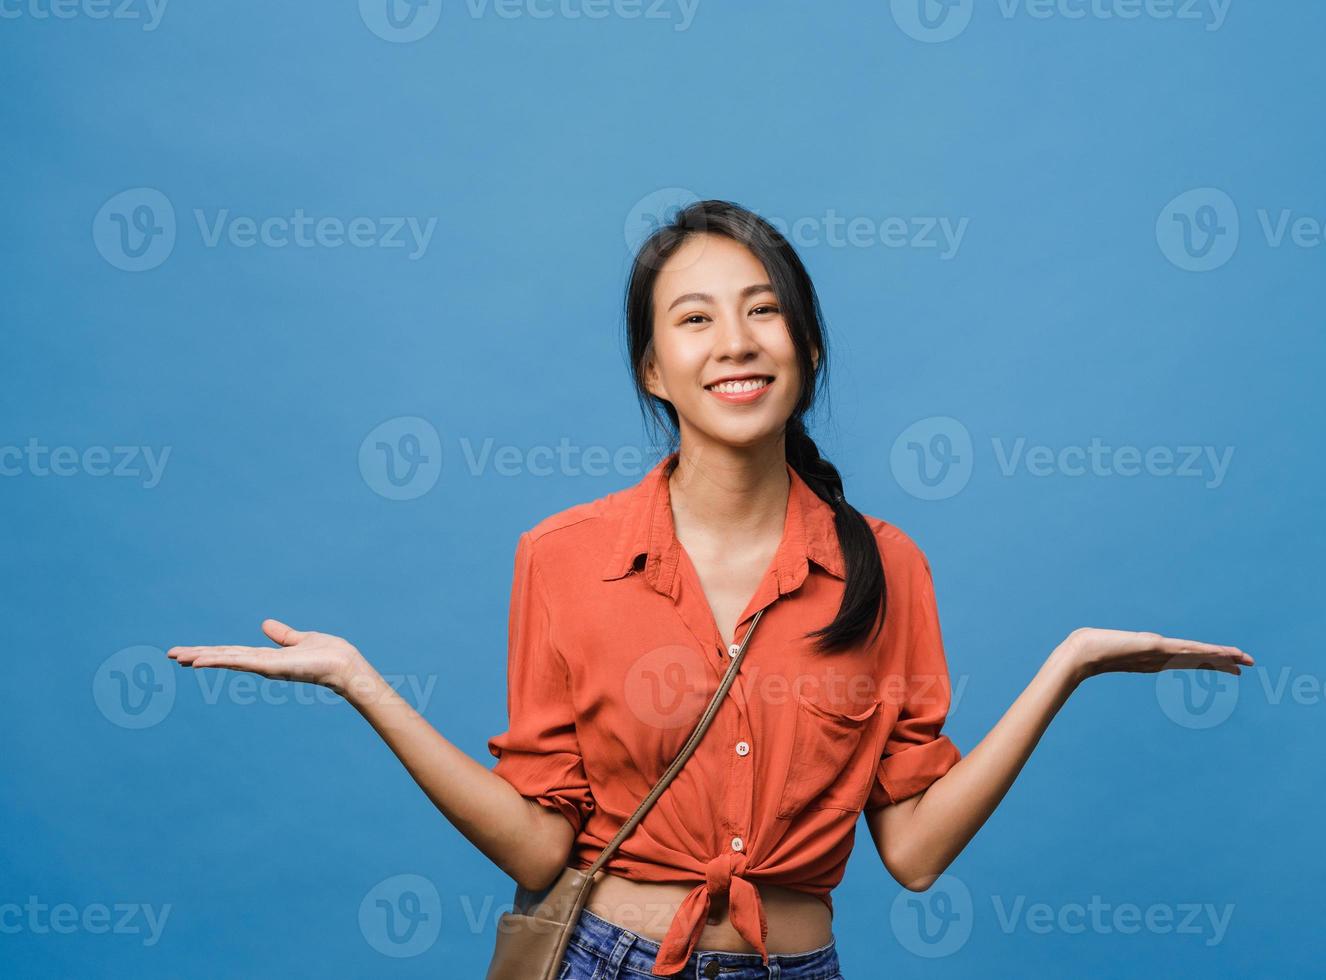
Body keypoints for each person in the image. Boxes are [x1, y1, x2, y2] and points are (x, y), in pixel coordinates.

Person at [166, 200, 1254, 979]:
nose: (734, 342)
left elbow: (914, 853)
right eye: (693, 318)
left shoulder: (888, 565)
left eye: (763, 312)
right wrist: (366, 683)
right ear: (651, 366)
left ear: (808, 347)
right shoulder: (560, 554)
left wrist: (1064, 667)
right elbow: (543, 847)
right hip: (606, 960)